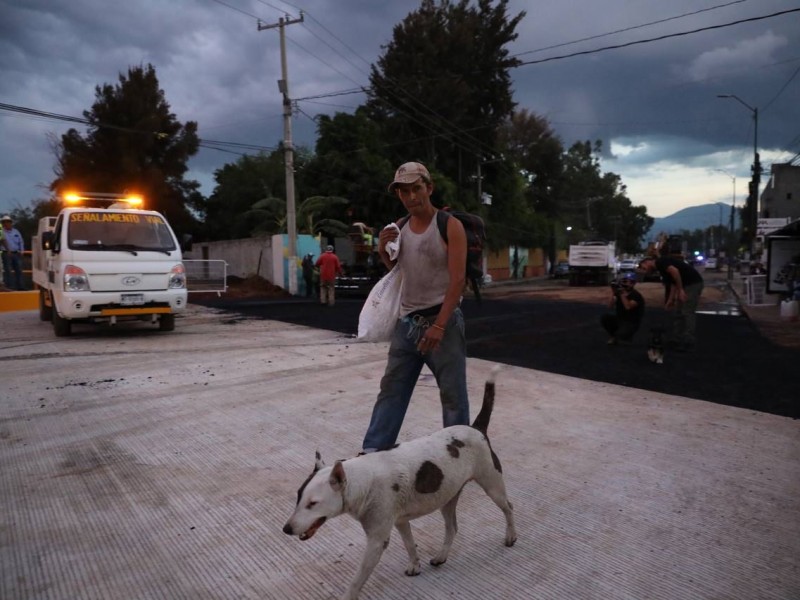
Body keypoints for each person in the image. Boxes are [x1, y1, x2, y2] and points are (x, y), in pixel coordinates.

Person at [361, 161, 469, 453]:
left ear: (429, 188)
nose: (410, 197)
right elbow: (399, 272)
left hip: (442, 324)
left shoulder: (450, 226)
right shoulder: (399, 227)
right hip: (407, 324)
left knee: (452, 395)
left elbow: (458, 280)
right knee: (391, 390)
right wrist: (384, 251)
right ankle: (374, 452)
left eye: (416, 189)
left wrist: (439, 325)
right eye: (403, 191)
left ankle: (459, 455)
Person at [639, 253, 704, 351]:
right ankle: (676, 339)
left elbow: (675, 271)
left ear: (647, 262)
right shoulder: (661, 269)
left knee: (687, 311)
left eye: (644, 268)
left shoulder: (660, 262)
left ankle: (688, 340)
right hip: (686, 285)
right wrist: (670, 299)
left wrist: (681, 290)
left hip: (692, 283)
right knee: (678, 312)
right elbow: (673, 283)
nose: (645, 271)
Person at [601, 272, 645, 344]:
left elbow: (628, 307)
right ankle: (614, 336)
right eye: (622, 281)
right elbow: (609, 306)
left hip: (631, 322)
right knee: (605, 317)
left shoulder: (636, 295)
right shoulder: (618, 293)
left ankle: (625, 335)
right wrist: (613, 292)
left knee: (623, 336)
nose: (623, 284)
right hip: (620, 319)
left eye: (626, 281)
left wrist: (622, 294)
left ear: (632, 283)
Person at [1, 215, 25, 290]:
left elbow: (21, 241)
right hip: (6, 253)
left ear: (11, 223)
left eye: (7, 222)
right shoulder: (1, 232)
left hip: (16, 253)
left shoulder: (16, 231)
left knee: (19, 270)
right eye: (4, 222)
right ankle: (10, 286)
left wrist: (22, 250)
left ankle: (20, 287)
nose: (6, 223)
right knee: (8, 270)